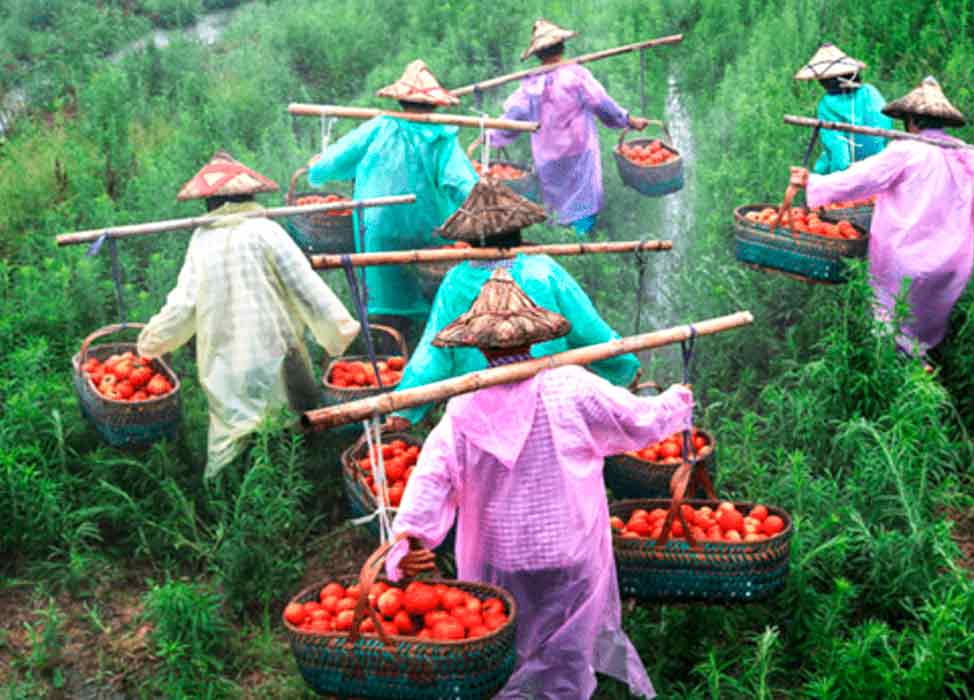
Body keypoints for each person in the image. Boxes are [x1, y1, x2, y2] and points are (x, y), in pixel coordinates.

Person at [384, 269, 692, 698]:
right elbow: (637, 419)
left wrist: (410, 537)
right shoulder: (572, 387)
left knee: (511, 638)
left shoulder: (462, 411)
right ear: (532, 340)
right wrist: (677, 399)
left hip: (499, 555)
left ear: (480, 345)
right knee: (568, 641)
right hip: (570, 548)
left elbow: (429, 482)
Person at [138, 150, 359, 478]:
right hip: (277, 349)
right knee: (291, 417)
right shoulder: (268, 232)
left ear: (210, 204)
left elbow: (183, 306)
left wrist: (151, 343)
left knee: (233, 425)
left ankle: (227, 487)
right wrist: (339, 331)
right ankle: (297, 476)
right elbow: (307, 288)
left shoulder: (202, 241)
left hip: (227, 358)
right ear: (250, 196)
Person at [789, 77, 974, 365]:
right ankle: (921, 359)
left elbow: (861, 179)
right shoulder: (963, 158)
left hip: (903, 262)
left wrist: (813, 182)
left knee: (891, 323)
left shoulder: (905, 152)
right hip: (949, 267)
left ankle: (909, 374)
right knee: (923, 327)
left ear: (912, 122)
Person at [386, 176, 639, 430]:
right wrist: (623, 364)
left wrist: (404, 406)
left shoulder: (457, 281)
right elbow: (588, 328)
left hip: (479, 404)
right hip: (547, 400)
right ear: (518, 231)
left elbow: (434, 353)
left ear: (469, 239)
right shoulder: (543, 270)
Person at [307, 60, 479, 340]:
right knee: (431, 289)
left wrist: (318, 168)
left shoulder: (379, 126)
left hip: (379, 226)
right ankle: (431, 340)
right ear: (436, 105)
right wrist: (488, 215)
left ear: (399, 100)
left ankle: (391, 339)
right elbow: (464, 185)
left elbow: (335, 160)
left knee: (387, 289)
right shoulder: (443, 137)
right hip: (429, 229)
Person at [479, 18, 650, 238]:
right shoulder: (577, 76)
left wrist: (490, 135)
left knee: (556, 205)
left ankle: (559, 242)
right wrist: (629, 120)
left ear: (538, 55)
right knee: (583, 202)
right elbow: (602, 104)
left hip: (549, 159)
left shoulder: (531, 85)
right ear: (562, 46)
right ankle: (579, 244)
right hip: (579, 153)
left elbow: (513, 118)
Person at [794, 43, 891, 174]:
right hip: (881, 167)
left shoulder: (827, 104)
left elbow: (840, 155)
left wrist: (827, 181)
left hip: (853, 175)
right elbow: (885, 130)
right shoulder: (871, 92)